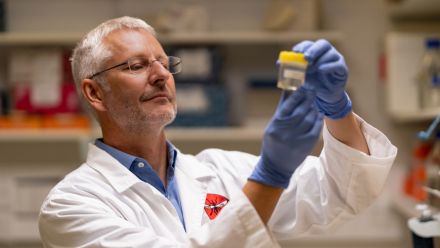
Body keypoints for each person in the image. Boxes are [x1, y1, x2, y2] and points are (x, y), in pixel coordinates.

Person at [38, 16, 397, 248]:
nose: (161, 75)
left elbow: (339, 192)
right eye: (136, 66)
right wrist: (271, 176)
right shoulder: (71, 205)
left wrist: (336, 108)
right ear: (94, 92)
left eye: (165, 63)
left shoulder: (222, 170)